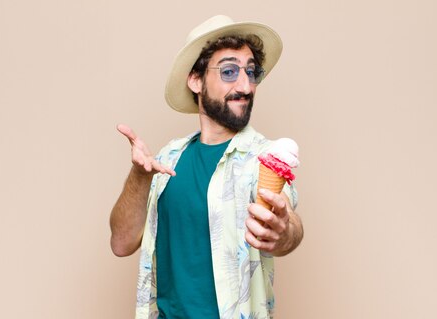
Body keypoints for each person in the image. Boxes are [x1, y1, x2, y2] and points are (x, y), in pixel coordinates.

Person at [110, 15, 304, 319]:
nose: (246, 85)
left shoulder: (263, 157)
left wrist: (284, 232)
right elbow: (121, 243)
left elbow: (288, 222)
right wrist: (139, 176)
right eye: (229, 71)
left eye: (251, 72)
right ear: (196, 80)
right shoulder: (168, 158)